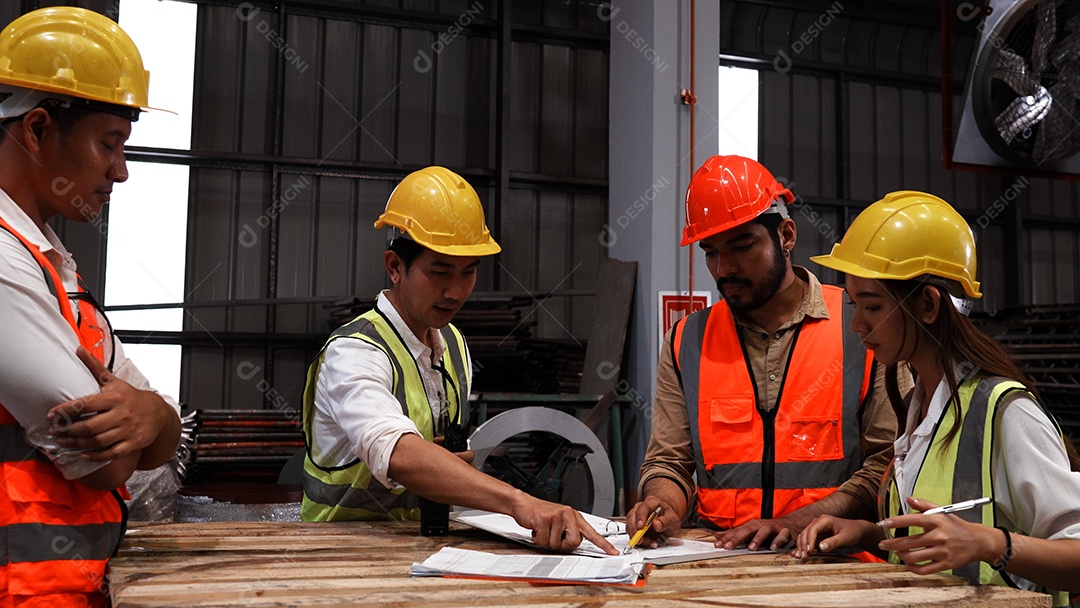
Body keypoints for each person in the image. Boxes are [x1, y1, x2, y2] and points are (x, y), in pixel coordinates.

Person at [301, 166, 616, 555]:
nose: (455, 291)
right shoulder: (354, 352)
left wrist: (441, 460)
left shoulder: (452, 344)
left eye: (468, 273)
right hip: (336, 552)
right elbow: (395, 452)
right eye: (439, 272)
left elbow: (425, 450)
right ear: (395, 267)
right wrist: (521, 501)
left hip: (419, 549)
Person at [797, 190, 1080, 606]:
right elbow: (944, 545)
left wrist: (992, 543)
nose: (856, 323)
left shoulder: (1006, 413)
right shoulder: (921, 409)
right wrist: (873, 535)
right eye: (855, 304)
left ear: (928, 305)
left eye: (872, 306)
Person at [628, 155, 904, 554]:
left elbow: (890, 464)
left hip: (837, 565)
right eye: (710, 252)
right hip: (720, 563)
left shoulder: (860, 327)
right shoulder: (686, 340)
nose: (724, 269)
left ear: (786, 235)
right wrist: (662, 503)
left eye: (741, 247)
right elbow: (669, 462)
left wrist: (794, 523)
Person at [0, 7, 182, 605]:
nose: (121, 172)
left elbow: (161, 431)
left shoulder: (52, 264)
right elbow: (105, 465)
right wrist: (148, 422)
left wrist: (154, 416)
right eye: (110, 144)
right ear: (36, 130)